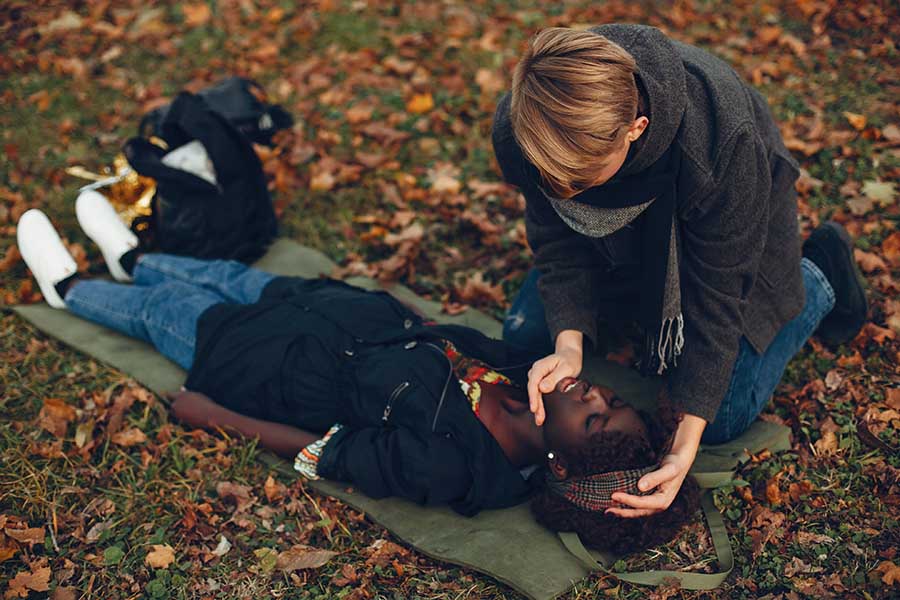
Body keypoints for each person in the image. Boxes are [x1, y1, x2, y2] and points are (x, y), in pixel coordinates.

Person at [17, 194, 698, 553]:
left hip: (268, 367)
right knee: (226, 275)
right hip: (325, 311)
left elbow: (334, 450)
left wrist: (216, 416)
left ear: (561, 461)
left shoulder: (454, 468)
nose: (593, 392)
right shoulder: (529, 373)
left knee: (173, 312)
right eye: (609, 397)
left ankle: (73, 289)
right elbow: (446, 339)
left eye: (596, 416)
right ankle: (132, 255)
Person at [491, 25, 868, 518]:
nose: (565, 195)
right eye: (553, 181)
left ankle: (820, 273)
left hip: (731, 241)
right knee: (523, 338)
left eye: (580, 180)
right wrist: (568, 345)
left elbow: (718, 293)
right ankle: (630, 294)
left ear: (636, 129)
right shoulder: (525, 126)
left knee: (720, 416)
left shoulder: (721, 138)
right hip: (619, 244)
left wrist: (685, 444)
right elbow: (559, 243)